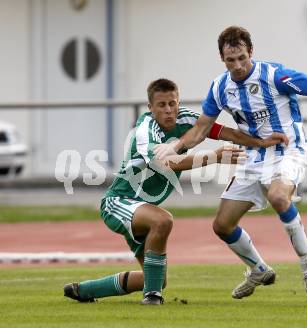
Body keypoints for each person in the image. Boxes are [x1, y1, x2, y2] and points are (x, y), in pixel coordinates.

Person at [154, 26, 307, 303]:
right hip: (253, 155)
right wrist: (175, 146)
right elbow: (202, 128)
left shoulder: (275, 76)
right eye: (230, 60)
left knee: (278, 196)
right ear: (222, 59)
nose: (237, 66)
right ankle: (259, 269)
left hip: (287, 150)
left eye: (241, 58)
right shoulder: (219, 87)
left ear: (251, 52)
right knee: (222, 226)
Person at [63, 78, 287, 305]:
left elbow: (223, 131)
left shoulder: (186, 118)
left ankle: (85, 290)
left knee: (157, 279)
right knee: (163, 221)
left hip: (142, 209)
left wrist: (260, 142)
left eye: (173, 103)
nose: (169, 110)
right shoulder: (144, 131)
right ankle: (152, 299)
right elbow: (169, 163)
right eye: (162, 105)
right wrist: (215, 157)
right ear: (150, 108)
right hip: (118, 202)